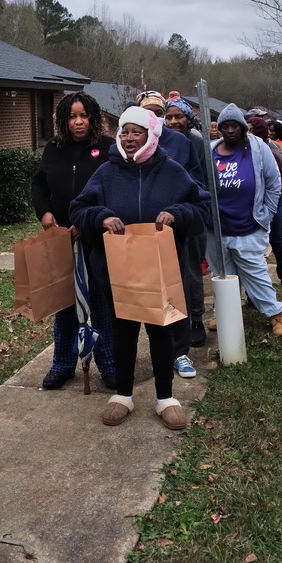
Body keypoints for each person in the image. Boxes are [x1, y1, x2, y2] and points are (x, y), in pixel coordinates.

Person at [69, 106, 211, 430]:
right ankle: (123, 395)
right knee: (122, 333)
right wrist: (101, 216)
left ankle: (165, 398)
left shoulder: (172, 171)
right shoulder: (106, 172)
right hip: (116, 271)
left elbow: (201, 207)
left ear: (151, 135)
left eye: (137, 132)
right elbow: (78, 208)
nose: (129, 139)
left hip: (159, 270)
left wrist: (177, 213)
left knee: (161, 332)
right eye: (124, 132)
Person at [31, 92, 116, 389]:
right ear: (63, 121)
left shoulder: (107, 148)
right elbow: (39, 184)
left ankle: (109, 364)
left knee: (102, 303)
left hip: (97, 238)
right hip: (61, 239)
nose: (78, 122)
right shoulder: (54, 149)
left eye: (84, 116)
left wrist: (88, 222)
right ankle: (63, 364)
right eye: (71, 117)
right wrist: (45, 214)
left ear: (93, 118)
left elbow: (115, 191)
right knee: (65, 304)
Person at [137, 90, 205, 377]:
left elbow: (196, 186)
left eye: (159, 111)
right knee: (139, 295)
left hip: (172, 231)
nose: (155, 116)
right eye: (148, 110)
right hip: (138, 233)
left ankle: (179, 351)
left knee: (177, 291)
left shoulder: (180, 143)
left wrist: (178, 212)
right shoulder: (131, 142)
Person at [207, 104, 282, 336]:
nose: (230, 130)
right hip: (217, 228)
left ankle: (275, 313)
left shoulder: (257, 147)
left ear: (243, 127)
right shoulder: (210, 149)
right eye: (225, 126)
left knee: (255, 272)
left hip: (248, 226)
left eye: (234, 125)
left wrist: (268, 213)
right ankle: (224, 312)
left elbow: (274, 183)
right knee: (222, 274)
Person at [165, 95, 208, 348]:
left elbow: (204, 181)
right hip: (168, 217)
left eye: (178, 116)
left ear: (188, 119)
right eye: (168, 117)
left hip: (190, 214)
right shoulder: (163, 143)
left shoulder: (196, 143)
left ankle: (196, 318)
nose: (173, 121)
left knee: (191, 269)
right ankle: (175, 318)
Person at [246, 116, 282, 289]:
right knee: (256, 244)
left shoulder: (272, 149)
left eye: (251, 130)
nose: (247, 132)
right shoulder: (244, 148)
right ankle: (256, 283)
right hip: (252, 201)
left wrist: (274, 201)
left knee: (279, 239)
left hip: (276, 198)